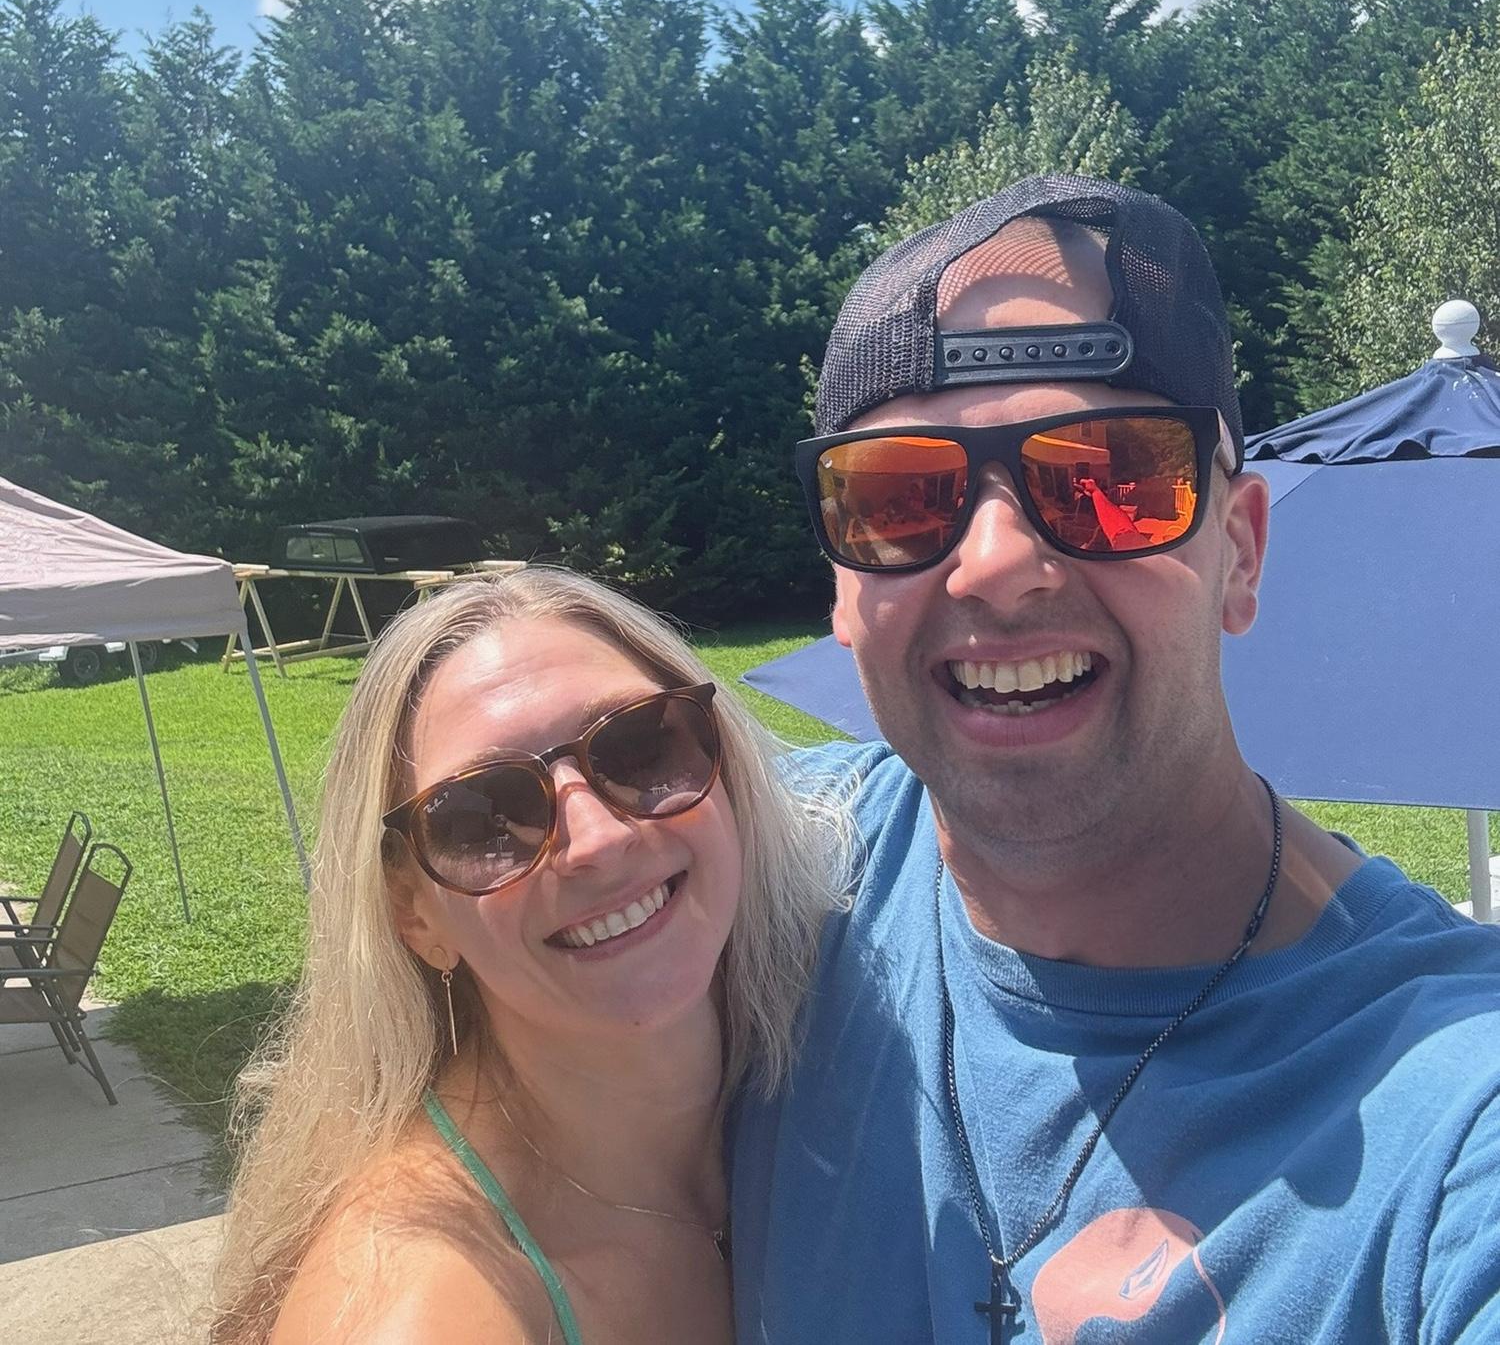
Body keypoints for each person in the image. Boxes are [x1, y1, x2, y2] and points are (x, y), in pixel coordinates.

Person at [733, 174, 1500, 1342]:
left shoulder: (1452, 1112)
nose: (996, 564)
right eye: (900, 498)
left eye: (1110, 479)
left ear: (1241, 552)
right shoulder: (745, 879)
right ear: (842, 586)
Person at [212, 566, 846, 1344]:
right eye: (483, 817)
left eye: (640, 746)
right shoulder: (424, 1309)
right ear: (413, 913)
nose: (599, 840)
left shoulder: (839, 1057)